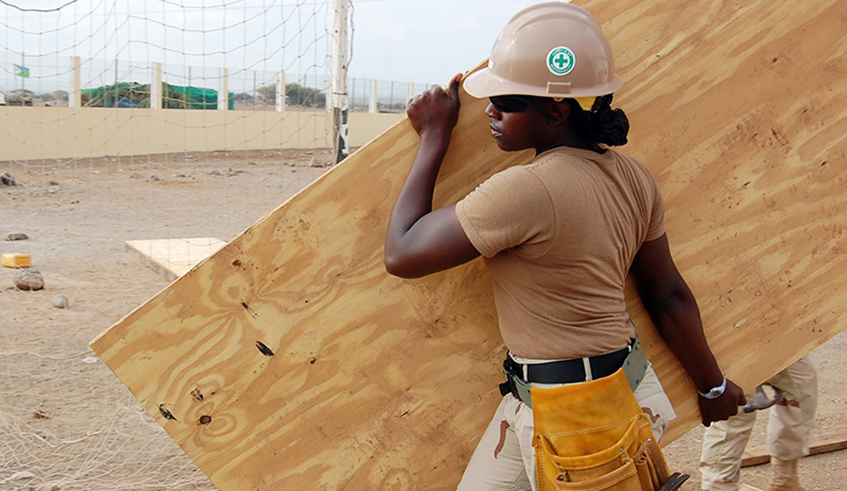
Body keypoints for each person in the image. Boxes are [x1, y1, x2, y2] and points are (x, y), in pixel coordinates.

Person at [384, 3, 746, 490]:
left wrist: (434, 136)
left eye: (506, 101)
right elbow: (667, 295)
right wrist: (712, 386)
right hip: (587, 395)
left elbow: (402, 253)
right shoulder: (633, 177)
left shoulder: (525, 191)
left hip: (578, 421)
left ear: (556, 110)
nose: (490, 110)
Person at [700, 357, 818, 491]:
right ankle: (719, 487)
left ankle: (784, 481)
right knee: (733, 418)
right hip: (736, 350)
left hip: (780, 342)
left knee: (802, 390)